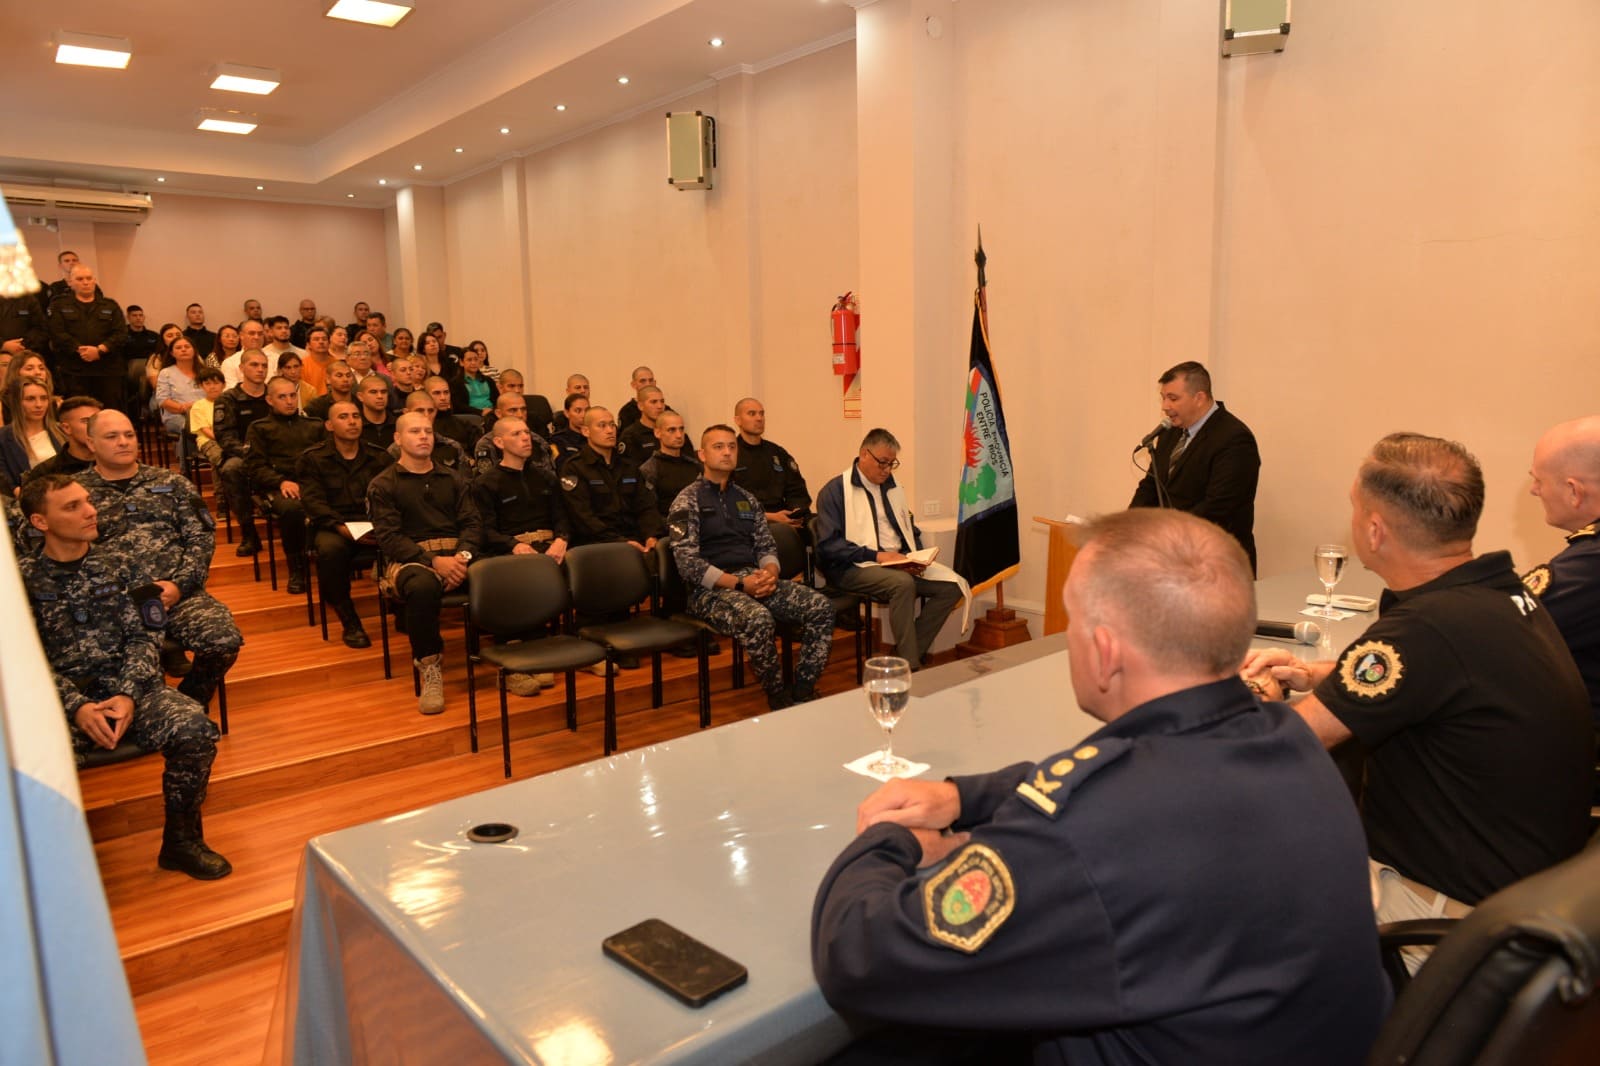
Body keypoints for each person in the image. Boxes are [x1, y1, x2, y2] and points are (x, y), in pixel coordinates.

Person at [811, 508, 1389, 1064]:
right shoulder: (1285, 739)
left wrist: (895, 842)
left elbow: (860, 956)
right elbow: (1109, 782)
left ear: (1105, 650)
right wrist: (968, 796)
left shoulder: (1086, 831)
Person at [1243, 432, 1591, 923]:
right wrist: (1316, 673)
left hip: (1444, 917)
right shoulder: (1498, 597)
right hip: (1527, 895)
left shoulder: (1428, 627)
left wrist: (1259, 690)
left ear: (1376, 529)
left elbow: (1282, 744)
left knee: (1240, 890)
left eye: (1355, 509)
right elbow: (1431, 685)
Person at [20, 475, 232, 880]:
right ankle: (47, 863)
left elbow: (145, 635)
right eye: (72, 507)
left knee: (195, 730)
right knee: (24, 759)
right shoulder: (19, 581)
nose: (90, 511)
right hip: (53, 703)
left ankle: (181, 843)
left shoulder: (122, 564)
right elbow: (23, 660)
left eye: (87, 501)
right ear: (39, 522)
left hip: (129, 686)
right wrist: (77, 706)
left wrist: (130, 694)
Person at [75, 410, 243, 714]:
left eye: (129, 435)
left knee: (223, 640)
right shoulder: (74, 493)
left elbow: (200, 540)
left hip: (176, 594)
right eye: (112, 437)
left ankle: (190, 699)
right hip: (109, 603)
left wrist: (179, 585)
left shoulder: (171, 483)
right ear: (90, 443)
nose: (123, 442)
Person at [669, 425, 833, 710]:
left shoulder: (745, 498)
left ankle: (803, 688)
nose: (727, 452)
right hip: (710, 590)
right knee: (758, 619)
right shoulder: (688, 500)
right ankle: (777, 695)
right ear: (702, 454)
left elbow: (766, 546)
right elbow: (688, 564)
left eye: (732, 446)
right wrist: (740, 584)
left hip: (754, 579)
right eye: (718, 446)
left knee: (820, 606)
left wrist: (769, 573)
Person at [816, 428, 969, 672]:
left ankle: (905, 655)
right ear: (864, 454)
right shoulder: (835, 491)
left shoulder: (891, 487)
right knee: (902, 584)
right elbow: (828, 546)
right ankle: (911, 669)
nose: (887, 470)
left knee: (952, 588)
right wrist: (876, 556)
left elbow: (908, 527)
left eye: (892, 463)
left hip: (896, 563)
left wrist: (917, 556)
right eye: (882, 463)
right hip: (853, 567)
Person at [367, 411, 483, 714]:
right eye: (415, 431)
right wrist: (434, 562)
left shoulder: (453, 478)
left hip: (458, 556)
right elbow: (390, 538)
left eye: (428, 431)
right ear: (398, 439)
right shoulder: (384, 484)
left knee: (501, 574)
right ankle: (430, 665)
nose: (423, 437)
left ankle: (512, 652)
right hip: (412, 560)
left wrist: (462, 558)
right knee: (421, 587)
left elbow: (472, 523)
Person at [1129, 360, 1261, 572]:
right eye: (1163, 398)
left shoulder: (1234, 438)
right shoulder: (1170, 433)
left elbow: (1218, 507)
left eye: (1173, 398)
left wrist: (1166, 535)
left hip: (1216, 565)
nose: (1165, 407)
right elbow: (1151, 487)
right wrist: (1128, 527)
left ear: (1199, 397)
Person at [1524, 416, 1600, 732]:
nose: (1534, 490)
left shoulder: (1589, 566)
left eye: (1539, 480)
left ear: (1573, 491)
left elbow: (1499, 625)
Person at [297, 400, 393, 648]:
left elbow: (392, 497)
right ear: (329, 425)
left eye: (356, 416)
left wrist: (381, 525)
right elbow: (313, 502)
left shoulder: (379, 456)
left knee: (406, 538)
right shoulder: (312, 459)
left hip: (374, 523)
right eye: (344, 417)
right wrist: (341, 527)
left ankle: (402, 607)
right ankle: (350, 621)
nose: (352, 421)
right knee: (330, 551)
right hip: (334, 525)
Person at [244, 377, 326, 595]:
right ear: (270, 400)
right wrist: (280, 481)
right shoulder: (260, 428)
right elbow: (255, 467)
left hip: (313, 484)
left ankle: (333, 560)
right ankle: (297, 569)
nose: (290, 401)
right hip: (278, 486)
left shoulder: (314, 425)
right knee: (293, 509)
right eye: (282, 397)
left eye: (292, 396)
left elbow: (327, 459)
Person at [561, 406, 663, 553]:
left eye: (612, 425)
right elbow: (583, 517)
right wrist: (622, 542)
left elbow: (646, 506)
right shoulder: (574, 468)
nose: (610, 431)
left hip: (635, 539)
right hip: (598, 544)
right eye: (602, 426)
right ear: (586, 431)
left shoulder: (628, 465)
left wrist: (651, 536)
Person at [213, 349, 273, 555]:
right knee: (231, 470)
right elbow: (225, 437)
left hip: (276, 455)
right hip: (244, 457)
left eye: (264, 366)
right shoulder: (228, 399)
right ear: (241, 368)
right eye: (254, 365)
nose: (260, 370)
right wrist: (253, 455)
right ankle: (249, 533)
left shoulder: (274, 395)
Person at [46, 264, 128, 409]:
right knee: (78, 412)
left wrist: (100, 350)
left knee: (109, 411)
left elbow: (121, 333)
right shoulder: (59, 305)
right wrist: (81, 350)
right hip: (74, 370)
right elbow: (57, 333)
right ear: (70, 282)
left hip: (107, 370)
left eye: (89, 278)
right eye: (80, 279)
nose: (85, 282)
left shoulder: (110, 305)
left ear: (94, 280)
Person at [731, 396, 811, 527]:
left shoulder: (777, 453)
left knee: (820, 524)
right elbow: (729, 503)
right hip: (749, 521)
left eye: (761, 414)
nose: (759, 418)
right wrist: (771, 517)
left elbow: (796, 489)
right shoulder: (731, 454)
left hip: (785, 518)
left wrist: (796, 512)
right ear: (738, 420)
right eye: (752, 414)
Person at [1, 377, 64, 486]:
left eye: (44, 398)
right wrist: (14, 489)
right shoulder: (4, 437)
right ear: (17, 402)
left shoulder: (62, 431)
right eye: (30, 399)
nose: (39, 405)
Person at [23, 394, 101, 483]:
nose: (96, 426)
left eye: (98, 420)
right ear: (66, 428)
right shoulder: (46, 473)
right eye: (86, 421)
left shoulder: (116, 463)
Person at [639, 411, 699, 519]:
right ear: (657, 433)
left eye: (681, 429)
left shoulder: (695, 465)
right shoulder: (650, 469)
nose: (679, 435)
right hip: (668, 528)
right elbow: (649, 511)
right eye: (672, 430)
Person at [188, 368, 228, 469]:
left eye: (216, 383)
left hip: (229, 439)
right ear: (201, 386)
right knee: (221, 458)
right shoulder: (198, 406)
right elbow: (206, 431)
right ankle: (220, 485)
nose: (212, 387)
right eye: (208, 384)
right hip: (208, 441)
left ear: (224, 385)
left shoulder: (229, 402)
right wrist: (224, 441)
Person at [449, 345, 498, 420]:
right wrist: (480, 412)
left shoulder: (488, 380)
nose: (473, 363)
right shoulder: (455, 383)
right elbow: (458, 406)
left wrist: (493, 411)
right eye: (469, 360)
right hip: (471, 417)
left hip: (492, 414)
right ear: (461, 362)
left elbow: (497, 399)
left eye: (476, 359)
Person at [618, 385, 664, 462]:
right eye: (653, 402)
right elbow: (628, 470)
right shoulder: (630, 435)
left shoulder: (669, 431)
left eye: (662, 401)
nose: (660, 406)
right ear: (640, 406)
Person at [220, 319, 272, 386]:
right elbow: (231, 390)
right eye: (252, 333)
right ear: (241, 335)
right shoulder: (230, 363)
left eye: (260, 334)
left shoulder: (275, 358)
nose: (256, 337)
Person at [354, 373, 396, 448]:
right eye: (373, 392)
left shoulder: (398, 424)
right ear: (360, 397)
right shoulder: (354, 426)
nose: (380, 396)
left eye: (383, 392)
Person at [550, 393, 590, 467]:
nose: (584, 415)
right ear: (567, 413)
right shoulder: (557, 440)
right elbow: (563, 468)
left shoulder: (595, 437)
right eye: (578, 411)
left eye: (587, 410)